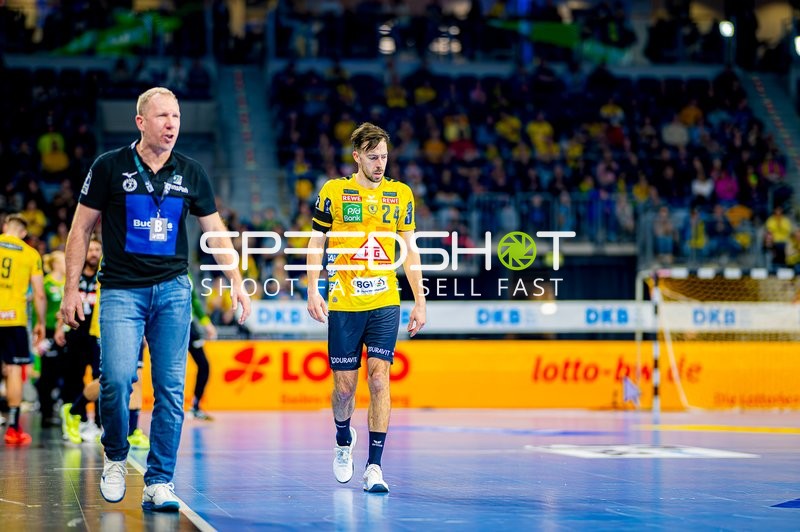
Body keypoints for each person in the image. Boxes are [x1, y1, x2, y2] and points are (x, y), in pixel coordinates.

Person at [61, 87, 250, 511]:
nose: (171, 125)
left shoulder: (191, 171)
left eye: (177, 117)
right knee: (116, 380)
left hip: (172, 292)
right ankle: (114, 456)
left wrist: (236, 279)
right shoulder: (109, 166)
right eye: (163, 117)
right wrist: (71, 290)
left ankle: (159, 480)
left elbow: (214, 231)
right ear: (141, 122)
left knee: (169, 389)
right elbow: (80, 230)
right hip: (121, 291)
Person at [306, 122, 426, 493]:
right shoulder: (335, 191)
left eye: (385, 156)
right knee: (344, 388)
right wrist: (313, 288)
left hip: (385, 299)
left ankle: (374, 467)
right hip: (344, 302)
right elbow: (315, 242)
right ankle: (344, 439)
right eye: (372, 157)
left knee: (379, 377)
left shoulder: (401, 195)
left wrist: (420, 300)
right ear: (356, 156)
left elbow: (410, 251)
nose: (380, 164)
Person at [0, 214, 46, 445]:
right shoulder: (30, 254)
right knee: (15, 369)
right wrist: (40, 323)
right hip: (13, 318)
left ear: (6, 226)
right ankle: (13, 428)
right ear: (24, 233)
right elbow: (38, 293)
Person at [59, 237, 102, 442]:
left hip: (98, 334)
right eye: (90, 249)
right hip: (76, 332)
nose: (93, 253)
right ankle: (80, 419)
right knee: (74, 377)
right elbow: (64, 302)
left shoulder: (104, 276)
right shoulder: (74, 278)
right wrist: (60, 328)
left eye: (97, 249)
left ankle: (100, 423)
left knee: (99, 377)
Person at [35, 250, 66, 428]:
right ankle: (46, 412)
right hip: (48, 332)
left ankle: (60, 409)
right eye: (63, 261)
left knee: (64, 372)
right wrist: (37, 333)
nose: (66, 264)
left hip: (66, 333)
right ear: (55, 263)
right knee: (48, 373)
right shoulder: (46, 283)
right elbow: (37, 306)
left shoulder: (69, 283)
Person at [188, 274, 216, 420]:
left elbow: (195, 301)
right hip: (171, 325)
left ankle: (195, 406)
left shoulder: (187, 273)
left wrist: (206, 323)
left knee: (204, 366)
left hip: (189, 326)